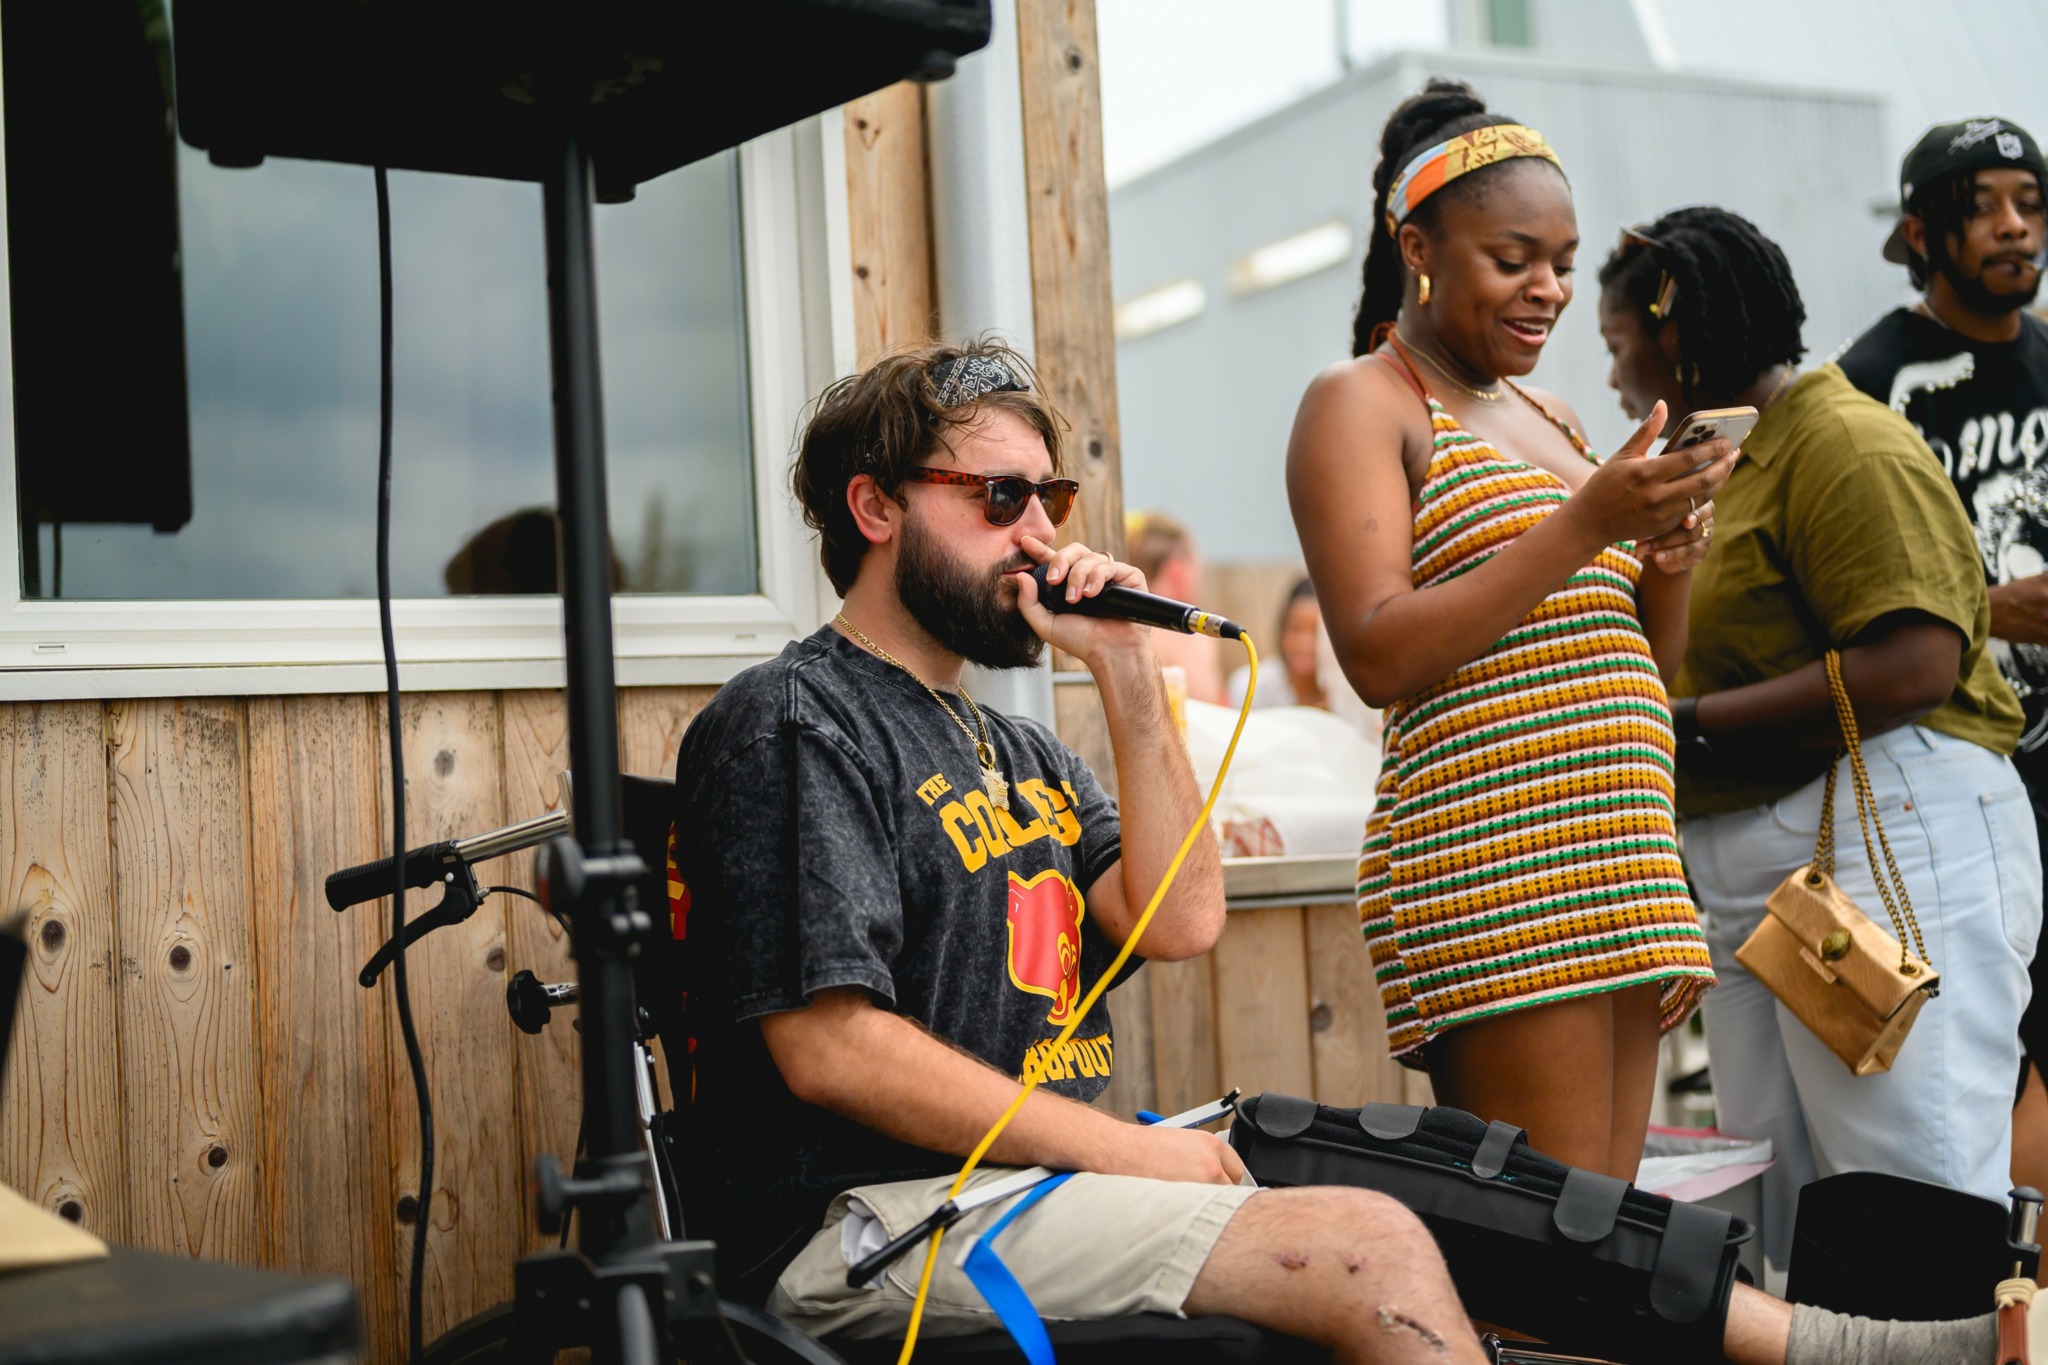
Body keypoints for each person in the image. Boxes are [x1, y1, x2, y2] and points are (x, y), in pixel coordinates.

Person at [671, 336, 2003, 1365]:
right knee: (1366, 1247)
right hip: (868, 1224)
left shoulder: (1013, 745)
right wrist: (1120, 1150)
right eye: (1001, 497)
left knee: (1450, 1171)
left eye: (1051, 497)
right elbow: (830, 1044)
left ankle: (1833, 1346)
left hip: (1028, 1182)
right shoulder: (793, 717)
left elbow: (1177, 919)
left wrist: (1129, 670)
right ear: (876, 507)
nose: (1041, 533)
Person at [1287, 78, 1724, 1181]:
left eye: (1563, 263)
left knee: (1607, 1237)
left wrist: (1666, 560)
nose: (1550, 290)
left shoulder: (1555, 419)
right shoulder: (1361, 399)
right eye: (1513, 259)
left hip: (1620, 850)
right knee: (1549, 1248)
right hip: (1502, 858)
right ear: (1417, 250)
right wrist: (1589, 522)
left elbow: (1644, 659)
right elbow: (1377, 650)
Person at [1598, 204, 2040, 1268]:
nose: (1612, 378)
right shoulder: (1730, 461)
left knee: (1911, 1200)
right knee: (1783, 1214)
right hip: (1764, 878)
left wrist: (1682, 727)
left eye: (1617, 345)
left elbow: (1915, 664)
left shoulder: (1842, 438)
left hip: (1882, 840)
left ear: (1674, 332)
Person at [1834, 117, 2048, 1190]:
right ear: (1920, 233)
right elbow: (1832, 587)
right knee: (1990, 1059)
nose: (2014, 226)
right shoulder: (1868, 386)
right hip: (1953, 783)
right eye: (1983, 205)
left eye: (2029, 203)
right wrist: (1987, 609)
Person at [1126, 509, 1229, 705]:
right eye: (1195, 565)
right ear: (1176, 569)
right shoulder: (1194, 636)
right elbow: (1219, 708)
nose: (1199, 577)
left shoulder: (1125, 629)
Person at [1226, 576, 1330, 710]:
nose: (1303, 644)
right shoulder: (1249, 687)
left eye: (1315, 632)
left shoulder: (1344, 693)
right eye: (1295, 630)